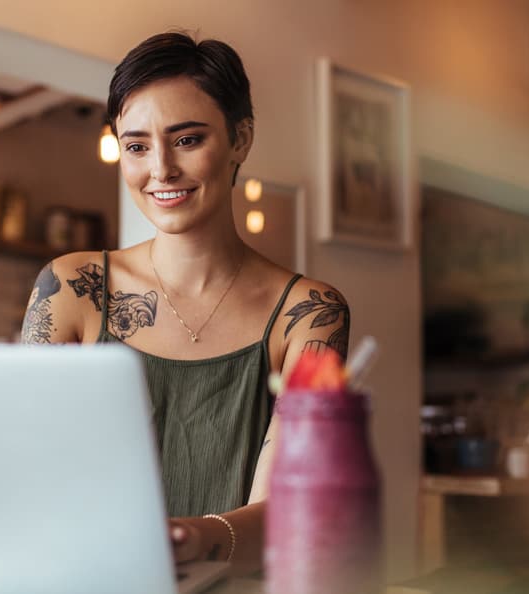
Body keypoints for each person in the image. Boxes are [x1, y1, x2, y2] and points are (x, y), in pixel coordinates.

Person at [20, 32, 350, 576]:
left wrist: (197, 537)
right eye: (137, 146)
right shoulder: (71, 289)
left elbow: (294, 510)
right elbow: (23, 467)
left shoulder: (309, 313)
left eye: (188, 139)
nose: (161, 169)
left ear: (240, 139)